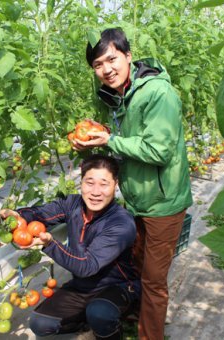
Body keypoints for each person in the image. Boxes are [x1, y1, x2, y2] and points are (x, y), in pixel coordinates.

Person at [74, 28, 193, 340]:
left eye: (111, 59)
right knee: (138, 265)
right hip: (139, 199)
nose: (106, 69)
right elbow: (126, 144)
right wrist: (93, 143)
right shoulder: (120, 94)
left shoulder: (157, 93)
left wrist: (111, 140)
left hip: (164, 203)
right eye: (98, 65)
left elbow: (159, 150)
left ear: (128, 56)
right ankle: (139, 317)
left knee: (154, 281)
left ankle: (150, 334)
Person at [0, 154, 140, 339]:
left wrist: (50, 244)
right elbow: (40, 214)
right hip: (82, 286)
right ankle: (89, 323)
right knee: (40, 323)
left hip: (117, 285)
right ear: (81, 182)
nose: (95, 191)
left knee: (100, 313)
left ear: (115, 185)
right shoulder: (72, 204)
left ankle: (110, 327)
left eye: (104, 184)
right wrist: (15, 216)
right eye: (89, 182)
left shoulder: (121, 223)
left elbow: (87, 266)